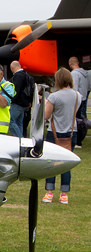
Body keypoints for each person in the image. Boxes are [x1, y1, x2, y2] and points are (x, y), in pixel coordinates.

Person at [43, 68, 81, 204]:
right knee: (67, 164)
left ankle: (49, 192)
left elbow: (47, 116)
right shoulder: (78, 95)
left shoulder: (54, 96)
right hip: (72, 132)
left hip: (54, 132)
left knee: (52, 163)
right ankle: (64, 194)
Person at [9, 61, 36, 137]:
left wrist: (12, 99)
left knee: (11, 121)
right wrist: (30, 101)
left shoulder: (18, 76)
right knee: (19, 123)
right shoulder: (27, 75)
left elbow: (16, 90)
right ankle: (21, 140)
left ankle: (20, 139)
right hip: (25, 103)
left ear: (12, 68)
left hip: (18, 103)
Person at [68, 57, 88, 148]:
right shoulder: (85, 74)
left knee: (77, 121)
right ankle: (80, 140)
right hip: (83, 98)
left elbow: (74, 88)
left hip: (77, 100)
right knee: (83, 120)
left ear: (69, 64)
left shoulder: (74, 74)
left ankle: (77, 141)